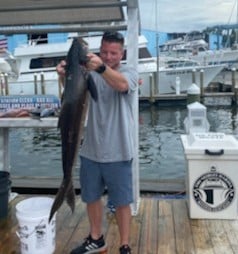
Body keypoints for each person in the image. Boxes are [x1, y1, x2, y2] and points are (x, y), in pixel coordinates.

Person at [56, 31, 138, 254]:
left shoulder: (128, 72)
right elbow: (73, 93)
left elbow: (121, 85)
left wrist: (101, 67)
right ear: (99, 49)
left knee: (122, 201)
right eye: (104, 52)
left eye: (113, 53)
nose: (108, 56)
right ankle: (96, 238)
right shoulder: (88, 72)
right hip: (90, 150)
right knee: (91, 197)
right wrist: (65, 74)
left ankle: (124, 244)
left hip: (119, 150)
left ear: (122, 53)